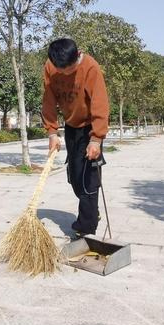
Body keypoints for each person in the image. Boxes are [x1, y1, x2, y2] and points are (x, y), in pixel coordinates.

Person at [42, 38, 109, 239]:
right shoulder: (50, 67)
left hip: (90, 128)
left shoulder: (90, 68)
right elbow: (48, 99)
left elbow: (100, 104)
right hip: (71, 126)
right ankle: (90, 211)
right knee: (75, 177)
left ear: (77, 57)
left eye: (67, 70)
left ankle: (86, 227)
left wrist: (96, 139)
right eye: (59, 70)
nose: (62, 74)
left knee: (89, 179)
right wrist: (52, 133)